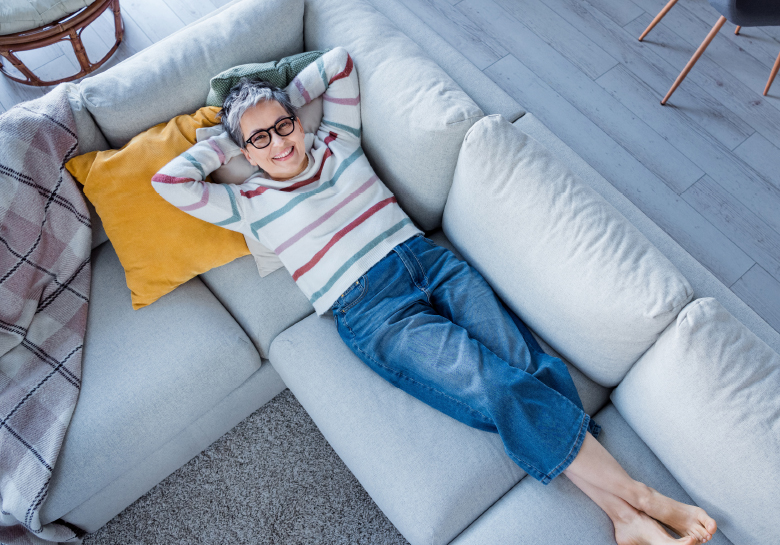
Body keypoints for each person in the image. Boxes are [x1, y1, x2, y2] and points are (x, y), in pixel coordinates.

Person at [152, 47, 717, 545]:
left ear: (298, 120)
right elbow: (169, 182)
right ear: (244, 152)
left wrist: (276, 103)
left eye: (283, 126)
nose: (278, 143)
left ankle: (624, 519)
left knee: (527, 365)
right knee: (492, 382)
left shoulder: (337, 139)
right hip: (371, 309)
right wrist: (232, 134)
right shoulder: (248, 201)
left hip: (429, 261)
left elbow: (339, 63)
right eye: (259, 139)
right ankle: (640, 499)